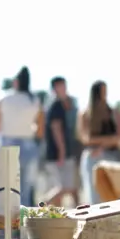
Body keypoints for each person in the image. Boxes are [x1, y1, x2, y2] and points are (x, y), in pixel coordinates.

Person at [0, 67, 44, 207]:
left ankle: (3, 226)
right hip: (28, 145)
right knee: (25, 188)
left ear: (16, 82)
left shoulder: (4, 98)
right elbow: (40, 131)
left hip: (6, 143)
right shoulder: (35, 100)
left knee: (3, 187)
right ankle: (22, 225)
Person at [77, 81, 120, 205]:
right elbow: (85, 138)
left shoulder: (113, 112)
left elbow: (118, 138)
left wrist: (101, 146)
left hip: (112, 156)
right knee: (94, 197)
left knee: (114, 197)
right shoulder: (85, 114)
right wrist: (107, 141)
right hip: (93, 157)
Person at [44, 77, 79, 207]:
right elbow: (56, 128)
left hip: (63, 153)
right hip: (58, 154)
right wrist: (62, 151)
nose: (63, 88)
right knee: (64, 188)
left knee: (66, 188)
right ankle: (39, 207)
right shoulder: (56, 105)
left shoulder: (64, 104)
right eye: (60, 86)